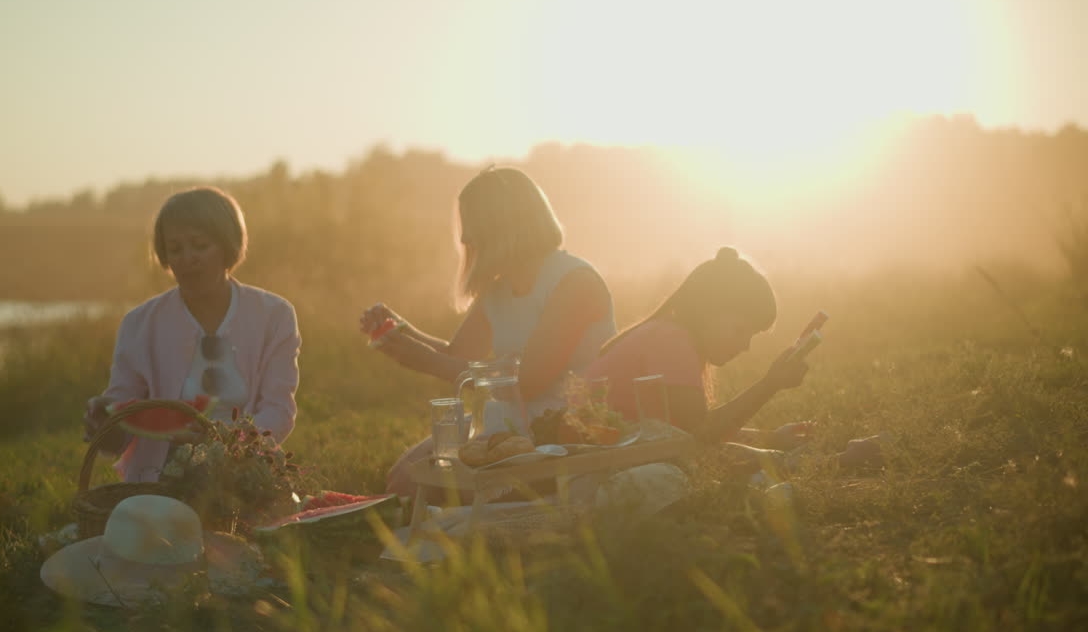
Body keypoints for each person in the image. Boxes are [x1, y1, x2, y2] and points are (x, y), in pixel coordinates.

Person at [361, 166, 616, 497]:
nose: (465, 238)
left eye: (472, 224)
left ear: (503, 224)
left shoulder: (573, 282)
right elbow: (459, 356)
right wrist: (401, 333)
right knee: (404, 478)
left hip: (565, 424)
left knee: (421, 484)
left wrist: (424, 360)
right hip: (510, 418)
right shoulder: (498, 290)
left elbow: (530, 381)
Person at [583, 246, 881, 477]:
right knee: (713, 459)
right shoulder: (671, 339)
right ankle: (835, 463)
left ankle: (828, 460)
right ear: (709, 310)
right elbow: (702, 436)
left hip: (610, 452)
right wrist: (770, 384)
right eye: (741, 330)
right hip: (596, 461)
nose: (745, 345)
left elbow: (686, 430)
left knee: (712, 457)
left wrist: (771, 437)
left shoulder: (672, 337)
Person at [82, 187, 301, 482]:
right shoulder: (138, 324)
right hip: (158, 481)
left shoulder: (275, 315)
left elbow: (278, 410)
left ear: (227, 245)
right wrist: (105, 422)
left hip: (246, 473)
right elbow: (121, 421)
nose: (187, 259)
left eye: (199, 245)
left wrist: (225, 445)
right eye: (175, 249)